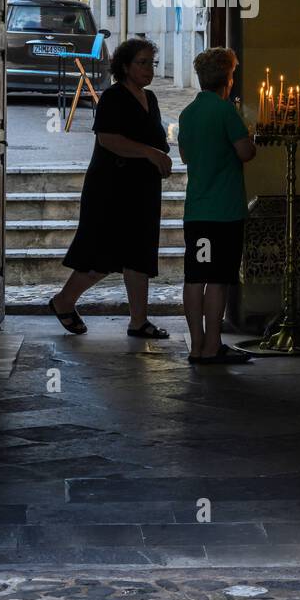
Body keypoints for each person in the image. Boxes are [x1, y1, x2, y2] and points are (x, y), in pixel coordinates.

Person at [49, 38, 173, 340]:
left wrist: (161, 154)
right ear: (125, 66)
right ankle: (63, 301)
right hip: (111, 189)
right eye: (142, 63)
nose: (148, 70)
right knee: (101, 254)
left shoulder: (151, 98)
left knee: (140, 254)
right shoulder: (113, 98)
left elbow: (154, 136)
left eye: (151, 63)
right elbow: (109, 140)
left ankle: (138, 321)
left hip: (142, 189)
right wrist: (151, 154)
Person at [178, 47, 257, 364]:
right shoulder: (226, 112)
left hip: (197, 210)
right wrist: (251, 136)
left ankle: (195, 345)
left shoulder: (188, 113)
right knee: (219, 279)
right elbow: (245, 153)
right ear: (228, 78)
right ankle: (213, 345)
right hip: (224, 212)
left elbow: (185, 156)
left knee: (195, 277)